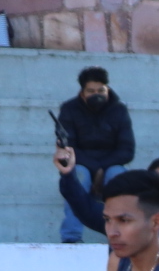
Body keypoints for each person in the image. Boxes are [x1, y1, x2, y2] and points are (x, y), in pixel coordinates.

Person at [55, 68, 134, 246]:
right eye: (91, 91)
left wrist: (102, 168)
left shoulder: (119, 110)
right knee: (79, 176)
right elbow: (68, 146)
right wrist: (94, 169)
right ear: (82, 93)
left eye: (101, 91)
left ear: (107, 90)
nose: (96, 95)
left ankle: (121, 236)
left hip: (111, 164)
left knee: (118, 177)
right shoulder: (69, 109)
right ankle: (71, 237)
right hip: (81, 162)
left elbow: (127, 149)